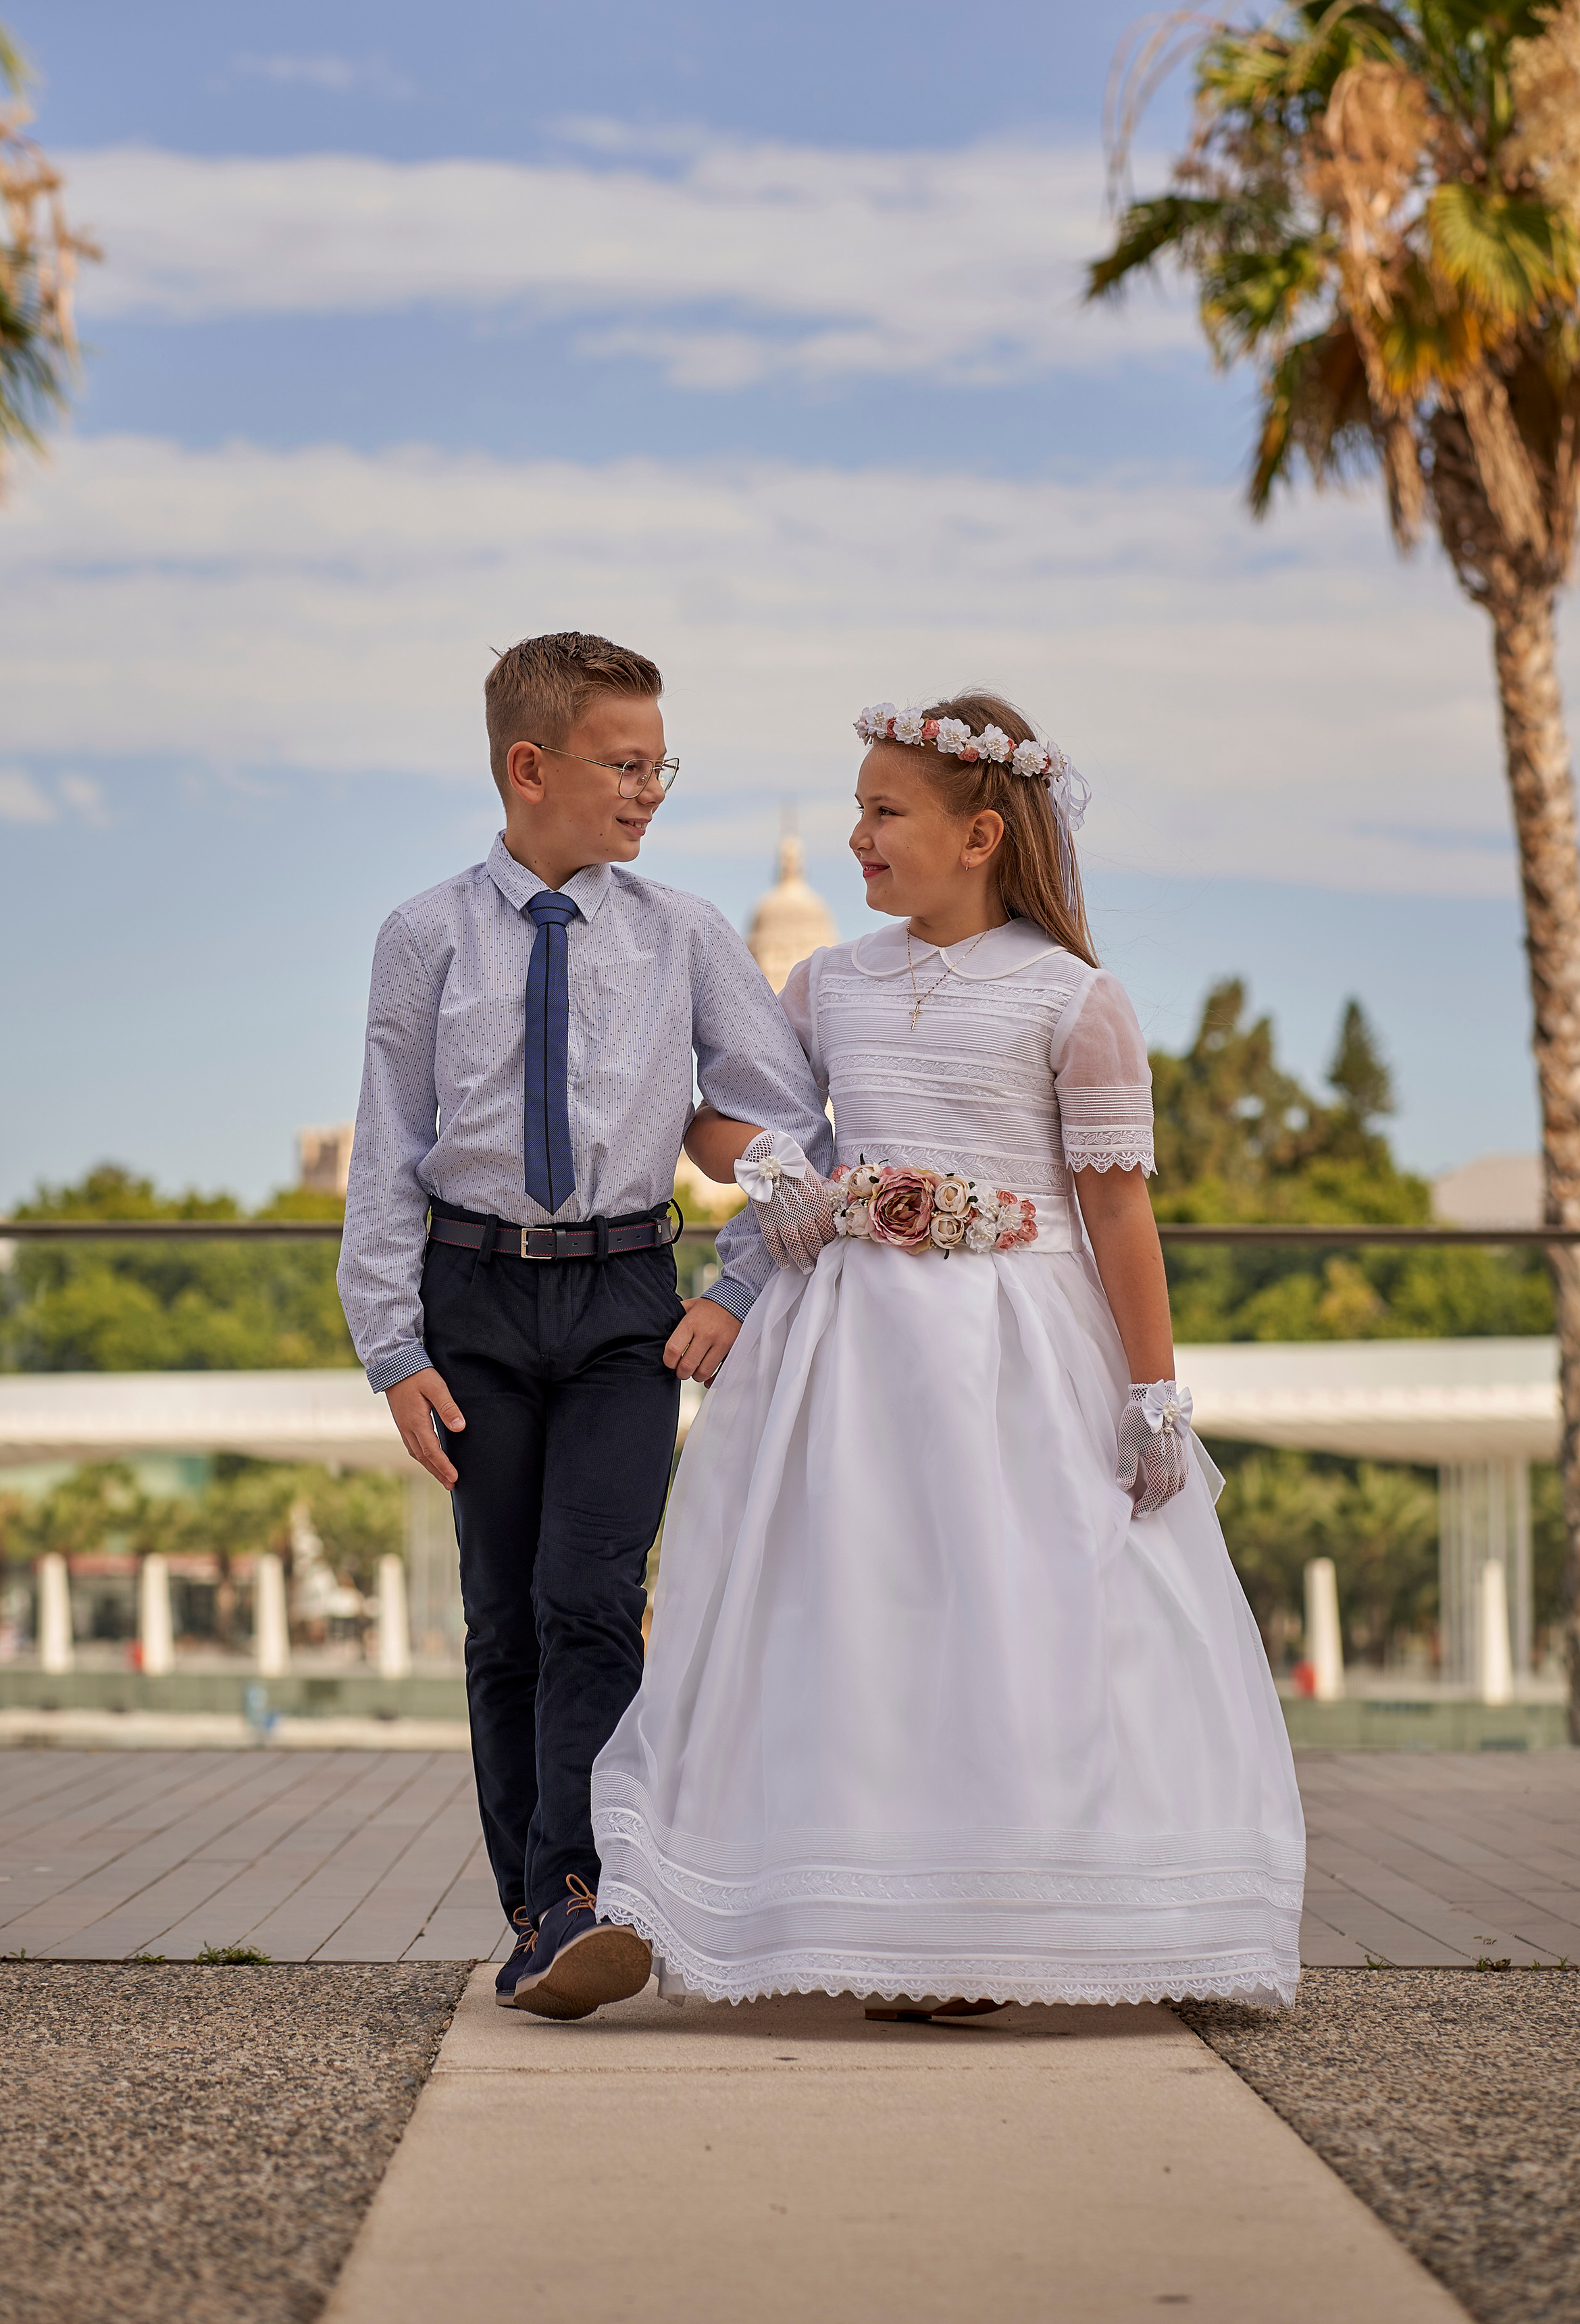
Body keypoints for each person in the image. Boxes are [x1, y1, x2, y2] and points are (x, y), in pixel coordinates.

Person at [592, 692, 1305, 2017]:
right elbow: (712, 1126)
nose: (858, 833)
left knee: (1027, 1611)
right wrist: (783, 1174)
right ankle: (876, 1912)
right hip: (848, 1347)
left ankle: (1048, 1914)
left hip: (1018, 1345)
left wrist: (1154, 1400)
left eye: (883, 810)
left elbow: (1115, 1212)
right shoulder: (823, 983)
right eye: (856, 808)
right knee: (861, 1609)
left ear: (979, 835)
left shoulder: (1073, 999)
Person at [336, 631, 832, 2022]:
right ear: (528, 766)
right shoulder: (422, 936)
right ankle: (532, 1908)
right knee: (502, 1615)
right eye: (626, 763)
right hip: (471, 1300)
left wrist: (737, 1280)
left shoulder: (681, 933)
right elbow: (390, 1149)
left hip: (625, 1301)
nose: (650, 789)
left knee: (591, 1597)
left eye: (660, 763)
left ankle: (582, 1895)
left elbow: (787, 1121)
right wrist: (392, 1346)